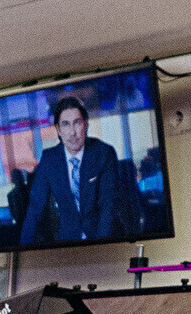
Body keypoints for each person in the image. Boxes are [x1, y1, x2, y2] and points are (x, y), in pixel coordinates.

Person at [11, 95, 144, 245]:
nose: (72, 132)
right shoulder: (49, 159)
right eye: (66, 125)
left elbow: (108, 205)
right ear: (58, 130)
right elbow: (35, 208)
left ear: (86, 124)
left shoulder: (103, 153)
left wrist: (100, 245)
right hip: (69, 242)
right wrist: (24, 248)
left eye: (77, 123)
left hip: (105, 238)